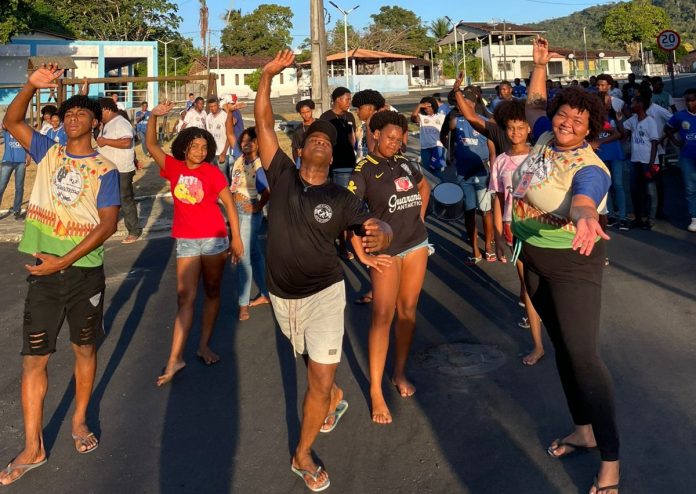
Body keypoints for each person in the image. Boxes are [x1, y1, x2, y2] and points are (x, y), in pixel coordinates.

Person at [255, 50, 392, 492]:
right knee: (315, 372)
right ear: (299, 151)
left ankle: (302, 452)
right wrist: (266, 79)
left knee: (319, 377)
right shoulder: (280, 176)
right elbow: (262, 124)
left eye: (327, 142)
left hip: (326, 295)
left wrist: (380, 235)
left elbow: (373, 222)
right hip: (281, 297)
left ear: (332, 155)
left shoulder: (339, 195)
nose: (320, 142)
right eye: (313, 139)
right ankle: (333, 398)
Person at [0, 64, 121, 486]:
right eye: (68, 114)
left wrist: (63, 261)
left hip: (84, 274)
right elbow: (11, 121)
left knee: (84, 350)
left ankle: (80, 420)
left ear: (94, 122)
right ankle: (33, 447)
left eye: (81, 115)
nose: (72, 119)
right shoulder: (47, 152)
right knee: (35, 359)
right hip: (44, 274)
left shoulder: (105, 170)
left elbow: (107, 225)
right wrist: (30, 87)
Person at [523, 37, 619, 494]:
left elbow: (584, 196)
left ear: (589, 131)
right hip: (536, 258)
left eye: (578, 121)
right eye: (564, 115)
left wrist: (584, 215)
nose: (566, 123)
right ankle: (583, 429)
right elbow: (534, 105)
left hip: (574, 263)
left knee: (584, 357)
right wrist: (540, 64)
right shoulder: (544, 135)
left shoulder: (589, 164)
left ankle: (611, 463)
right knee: (563, 350)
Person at [146, 100, 244, 385]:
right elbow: (151, 145)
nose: (200, 151)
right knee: (184, 298)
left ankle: (203, 345)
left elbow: (229, 204)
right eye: (195, 146)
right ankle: (175, 358)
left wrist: (236, 238)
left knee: (212, 291)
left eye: (205, 147)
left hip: (215, 239)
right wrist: (153, 116)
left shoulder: (212, 172)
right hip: (187, 241)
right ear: (185, 147)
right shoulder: (173, 168)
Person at [348, 110, 431, 424]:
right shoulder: (363, 170)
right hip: (387, 254)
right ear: (375, 134)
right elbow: (350, 212)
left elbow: (423, 189)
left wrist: (419, 220)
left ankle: (399, 372)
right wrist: (362, 254)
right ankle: (375, 392)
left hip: (416, 245)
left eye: (399, 139)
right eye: (389, 137)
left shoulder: (406, 162)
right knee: (383, 316)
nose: (394, 143)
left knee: (408, 311)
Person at [479, 97, 545, 365]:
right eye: (510, 128)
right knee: (527, 285)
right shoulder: (500, 162)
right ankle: (538, 345)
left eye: (520, 127)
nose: (515, 132)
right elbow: (497, 199)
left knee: (549, 284)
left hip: (541, 229)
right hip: (514, 230)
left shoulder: (540, 157)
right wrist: (497, 232)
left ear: (529, 128)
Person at [448, 86, 496, 264]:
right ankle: (475, 250)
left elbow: (492, 150)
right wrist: (449, 156)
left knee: (486, 211)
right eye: (459, 104)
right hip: (463, 175)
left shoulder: (485, 123)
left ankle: (489, 247)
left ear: (472, 104)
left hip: (482, 174)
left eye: (464, 103)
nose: (461, 106)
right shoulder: (456, 122)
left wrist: (493, 172)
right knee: (469, 212)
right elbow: (449, 134)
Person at [229, 127, 270, 320]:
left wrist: (257, 206)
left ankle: (243, 304)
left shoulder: (259, 165)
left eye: (251, 141)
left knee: (243, 256)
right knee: (254, 253)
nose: (246, 144)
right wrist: (229, 113)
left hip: (248, 214)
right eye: (244, 141)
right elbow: (230, 134)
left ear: (258, 143)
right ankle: (266, 293)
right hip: (236, 211)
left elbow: (268, 190)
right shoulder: (239, 159)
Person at [97, 97, 142, 244]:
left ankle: (134, 231)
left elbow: (127, 141)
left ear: (107, 109)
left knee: (125, 200)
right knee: (108, 201)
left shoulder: (120, 122)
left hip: (121, 169)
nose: (98, 114)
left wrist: (105, 141)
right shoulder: (106, 124)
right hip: (109, 170)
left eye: (99, 111)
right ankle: (107, 228)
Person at [618, 94, 660, 230]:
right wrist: (619, 120)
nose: (631, 106)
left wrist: (651, 163)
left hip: (647, 161)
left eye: (633, 103)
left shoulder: (650, 121)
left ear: (640, 105)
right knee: (635, 190)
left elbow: (654, 142)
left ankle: (650, 219)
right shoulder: (633, 120)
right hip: (635, 160)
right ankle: (638, 217)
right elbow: (623, 132)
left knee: (650, 192)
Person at [595, 75, 629, 231]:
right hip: (601, 156)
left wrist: (618, 118)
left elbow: (620, 134)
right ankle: (610, 215)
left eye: (607, 102)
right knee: (606, 187)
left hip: (615, 154)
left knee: (618, 184)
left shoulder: (614, 114)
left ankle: (623, 216)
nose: (606, 104)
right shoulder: (595, 119)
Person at [665, 88, 696, 232]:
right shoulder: (679, 116)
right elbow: (668, 129)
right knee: (690, 188)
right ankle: (694, 218)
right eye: (687, 101)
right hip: (687, 157)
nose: (690, 103)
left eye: (693, 100)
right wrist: (676, 143)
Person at [320, 86, 356, 171]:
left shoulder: (350, 116)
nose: (349, 103)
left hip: (349, 159)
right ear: (338, 100)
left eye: (350, 99)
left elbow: (352, 137)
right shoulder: (325, 117)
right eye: (347, 99)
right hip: (332, 160)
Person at [410, 96, 447, 178]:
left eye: (429, 107)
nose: (426, 109)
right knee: (428, 171)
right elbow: (412, 118)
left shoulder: (441, 116)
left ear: (433, 106)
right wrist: (419, 106)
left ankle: (440, 188)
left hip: (437, 147)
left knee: (437, 170)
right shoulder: (422, 117)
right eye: (424, 107)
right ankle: (431, 189)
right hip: (425, 148)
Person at [1, 123, 31, 220]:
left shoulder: (22, 132)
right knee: (1, 186)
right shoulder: (7, 130)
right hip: (8, 161)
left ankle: (16, 210)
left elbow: (27, 144)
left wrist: (28, 156)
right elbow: (4, 124)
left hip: (21, 162)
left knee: (19, 187)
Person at [206, 97, 230, 179]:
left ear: (218, 105)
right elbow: (208, 135)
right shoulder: (208, 117)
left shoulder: (225, 116)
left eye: (214, 106)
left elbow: (229, 136)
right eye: (211, 106)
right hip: (212, 153)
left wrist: (224, 152)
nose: (213, 108)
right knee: (213, 177)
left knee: (224, 177)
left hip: (222, 153)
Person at [291, 99, 316, 168]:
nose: (306, 115)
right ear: (300, 113)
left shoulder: (320, 124)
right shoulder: (298, 130)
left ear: (312, 110)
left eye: (308, 111)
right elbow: (295, 149)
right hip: (305, 163)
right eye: (303, 113)